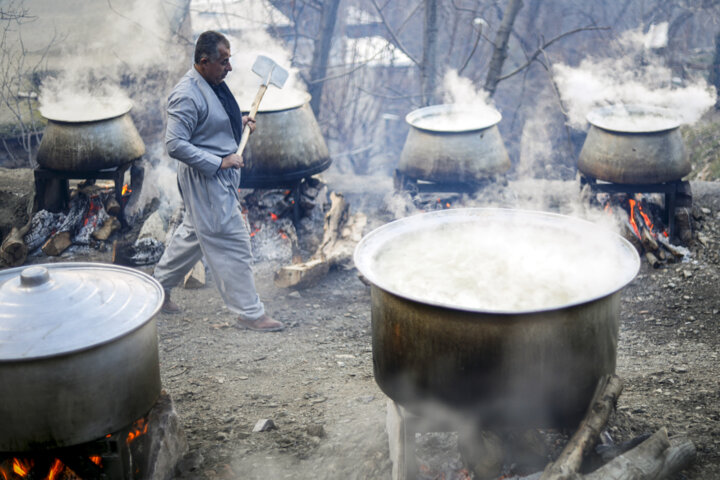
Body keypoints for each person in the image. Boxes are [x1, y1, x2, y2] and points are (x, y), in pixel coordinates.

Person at [153, 30, 284, 332]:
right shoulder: (186, 94)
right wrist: (220, 161)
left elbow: (210, 122)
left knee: (194, 234)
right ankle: (250, 313)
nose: (230, 67)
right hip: (206, 181)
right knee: (232, 241)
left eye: (230, 59)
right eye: (224, 62)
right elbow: (174, 144)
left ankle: (157, 291)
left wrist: (238, 122)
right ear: (203, 61)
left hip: (215, 182)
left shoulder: (212, 84)